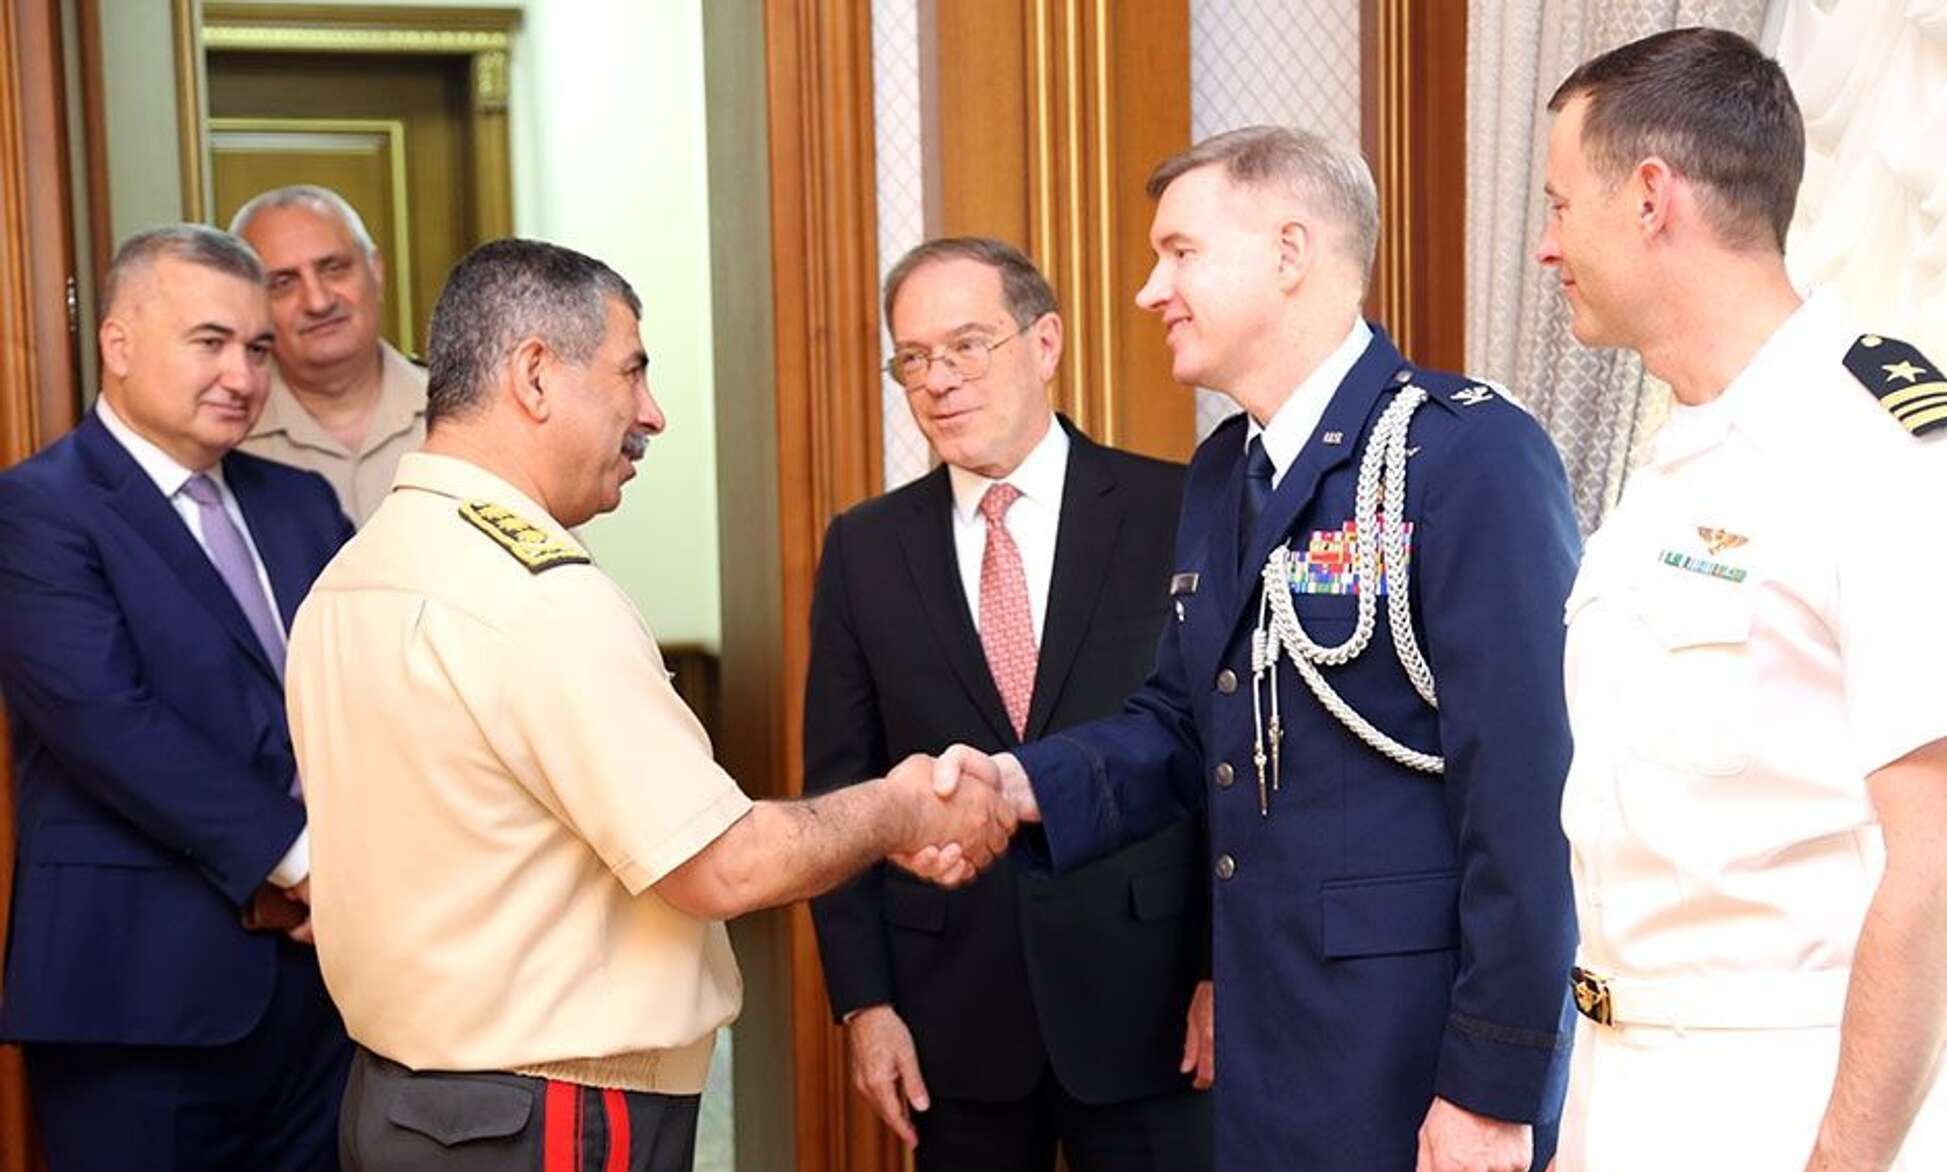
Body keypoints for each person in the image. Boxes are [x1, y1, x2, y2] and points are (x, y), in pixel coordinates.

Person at [283, 237, 1017, 1171]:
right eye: (630, 372)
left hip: (405, 1100)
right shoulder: (531, 594)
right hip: (542, 1115)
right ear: (536, 376)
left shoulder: (357, 573)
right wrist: (904, 806)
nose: (652, 414)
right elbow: (721, 867)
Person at [930, 126, 1583, 1171]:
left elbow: (1527, 797)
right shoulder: (1224, 468)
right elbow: (1182, 726)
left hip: (1413, 1069)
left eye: (1179, 253)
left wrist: (1492, 1087)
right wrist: (1015, 786)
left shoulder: (1462, 453)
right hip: (1271, 1052)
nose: (1151, 289)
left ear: (1288, 252)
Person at [1533, 28, 1947, 1172]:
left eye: (1558, 205)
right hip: (1612, 1075)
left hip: (1774, 1100)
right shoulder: (1672, 452)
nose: (1545, 248)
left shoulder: (1876, 445)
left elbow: (1942, 868)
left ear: (1649, 197)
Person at [806, 237, 1212, 1171]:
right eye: (914, 358)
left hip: (1149, 1005)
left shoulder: (1176, 508)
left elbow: (1225, 761)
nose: (938, 380)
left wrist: (1220, 973)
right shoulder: (865, 549)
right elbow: (841, 792)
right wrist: (865, 1006)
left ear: (1045, 343)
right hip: (953, 1013)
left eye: (967, 345)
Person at [0, 225, 356, 1171]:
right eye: (210, 342)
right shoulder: (38, 509)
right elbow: (109, 722)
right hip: (139, 1000)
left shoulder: (303, 504)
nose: (241, 374)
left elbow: (366, 700)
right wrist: (310, 861)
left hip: (325, 991)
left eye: (258, 348)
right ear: (119, 345)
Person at [231, 185, 427, 525]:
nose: (318, 302)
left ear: (376, 270)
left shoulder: (468, 412)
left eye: (334, 268)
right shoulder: (226, 438)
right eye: (283, 283)